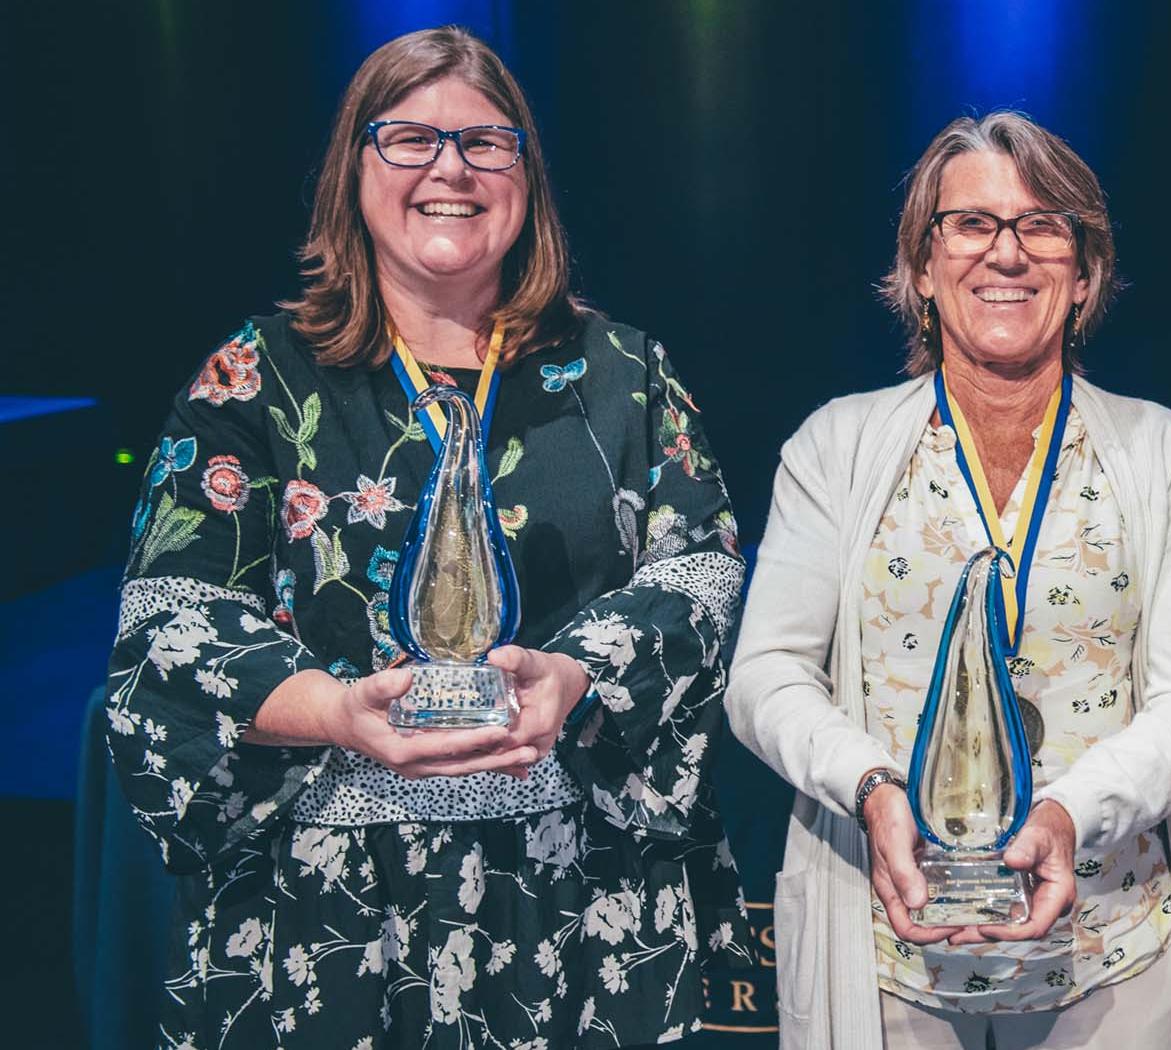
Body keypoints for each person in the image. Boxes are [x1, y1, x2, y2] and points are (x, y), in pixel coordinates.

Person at [104, 27, 748, 1049]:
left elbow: (701, 574)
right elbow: (170, 625)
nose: (449, 167)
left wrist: (575, 676)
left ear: (524, 176)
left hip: (578, 898)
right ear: (352, 174)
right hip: (325, 908)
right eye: (407, 138)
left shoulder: (623, 370)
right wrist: (337, 711)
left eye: (485, 143)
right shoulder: (255, 375)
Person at [726, 111, 1171, 1050]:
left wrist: (1068, 813)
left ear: (1085, 272)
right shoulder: (832, 446)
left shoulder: (1170, 455)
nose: (1006, 253)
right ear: (920, 267)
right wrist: (874, 786)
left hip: (1112, 953)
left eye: (1042, 225)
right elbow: (765, 676)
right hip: (890, 958)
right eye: (971, 224)